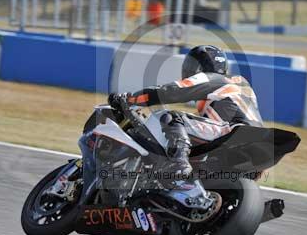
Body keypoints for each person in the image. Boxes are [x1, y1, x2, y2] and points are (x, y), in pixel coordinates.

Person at [108, 45, 263, 180]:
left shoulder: (214, 79)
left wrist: (131, 99)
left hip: (235, 133)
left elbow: (170, 92)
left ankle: (179, 164)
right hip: (259, 146)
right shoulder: (239, 85)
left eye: (191, 64)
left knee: (170, 117)